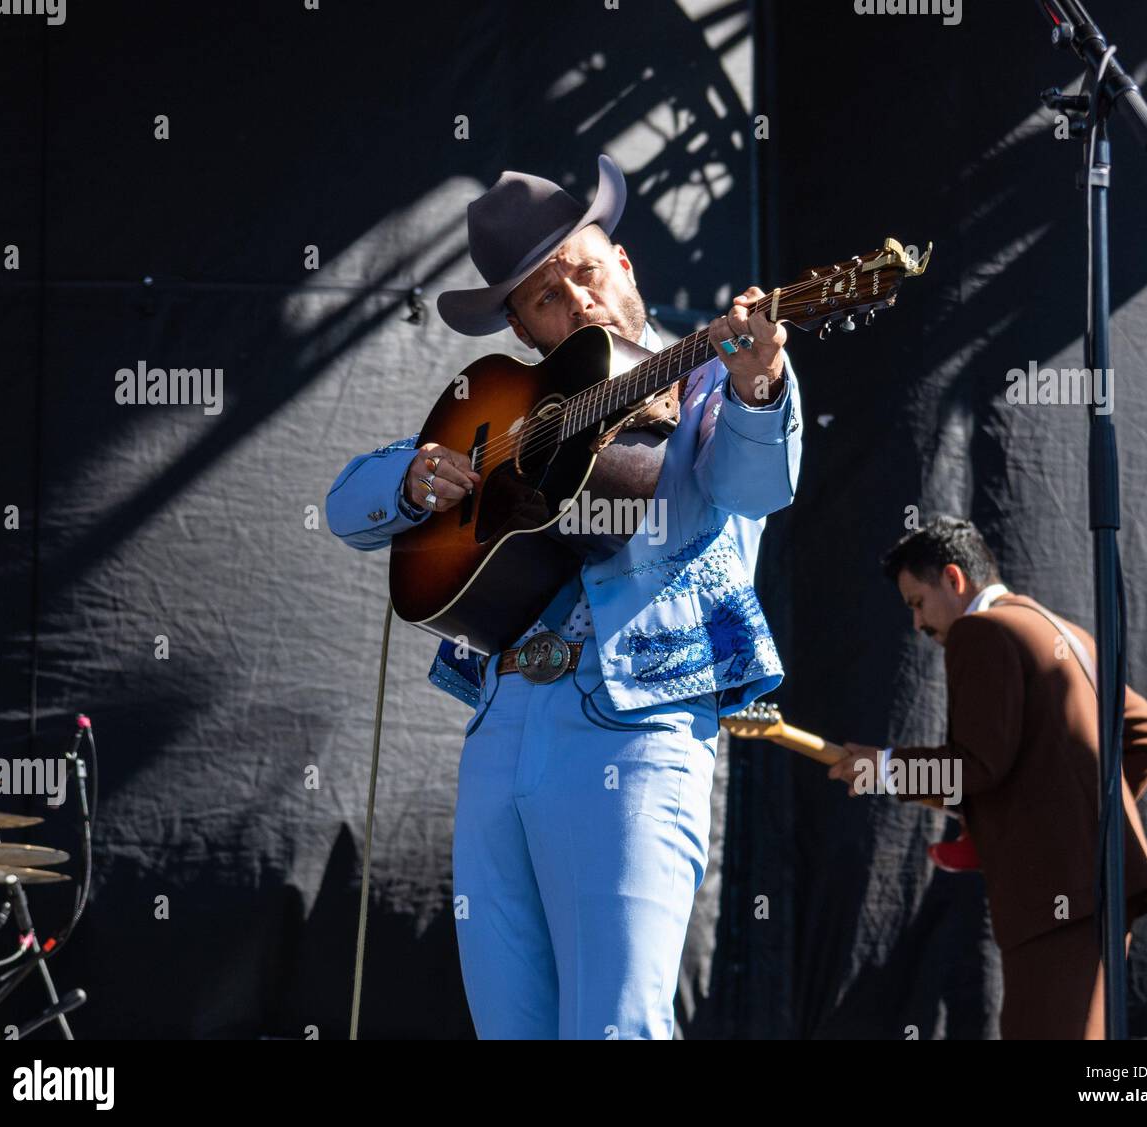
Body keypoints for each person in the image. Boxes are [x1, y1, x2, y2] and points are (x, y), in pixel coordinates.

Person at [326, 154, 803, 1038]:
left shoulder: (712, 374)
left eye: (584, 271)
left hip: (638, 727)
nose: (577, 301)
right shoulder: (507, 405)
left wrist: (758, 383)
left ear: (624, 264)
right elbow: (345, 508)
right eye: (547, 297)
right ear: (520, 324)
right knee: (509, 1026)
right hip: (501, 731)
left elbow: (756, 487)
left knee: (615, 1025)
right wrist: (414, 477)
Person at [828, 516, 1147, 1039]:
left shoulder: (980, 630)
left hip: (1059, 897)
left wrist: (883, 770)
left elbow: (977, 766)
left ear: (953, 577)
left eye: (917, 604)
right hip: (1100, 890)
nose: (919, 626)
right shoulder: (1068, 634)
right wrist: (1069, 823)